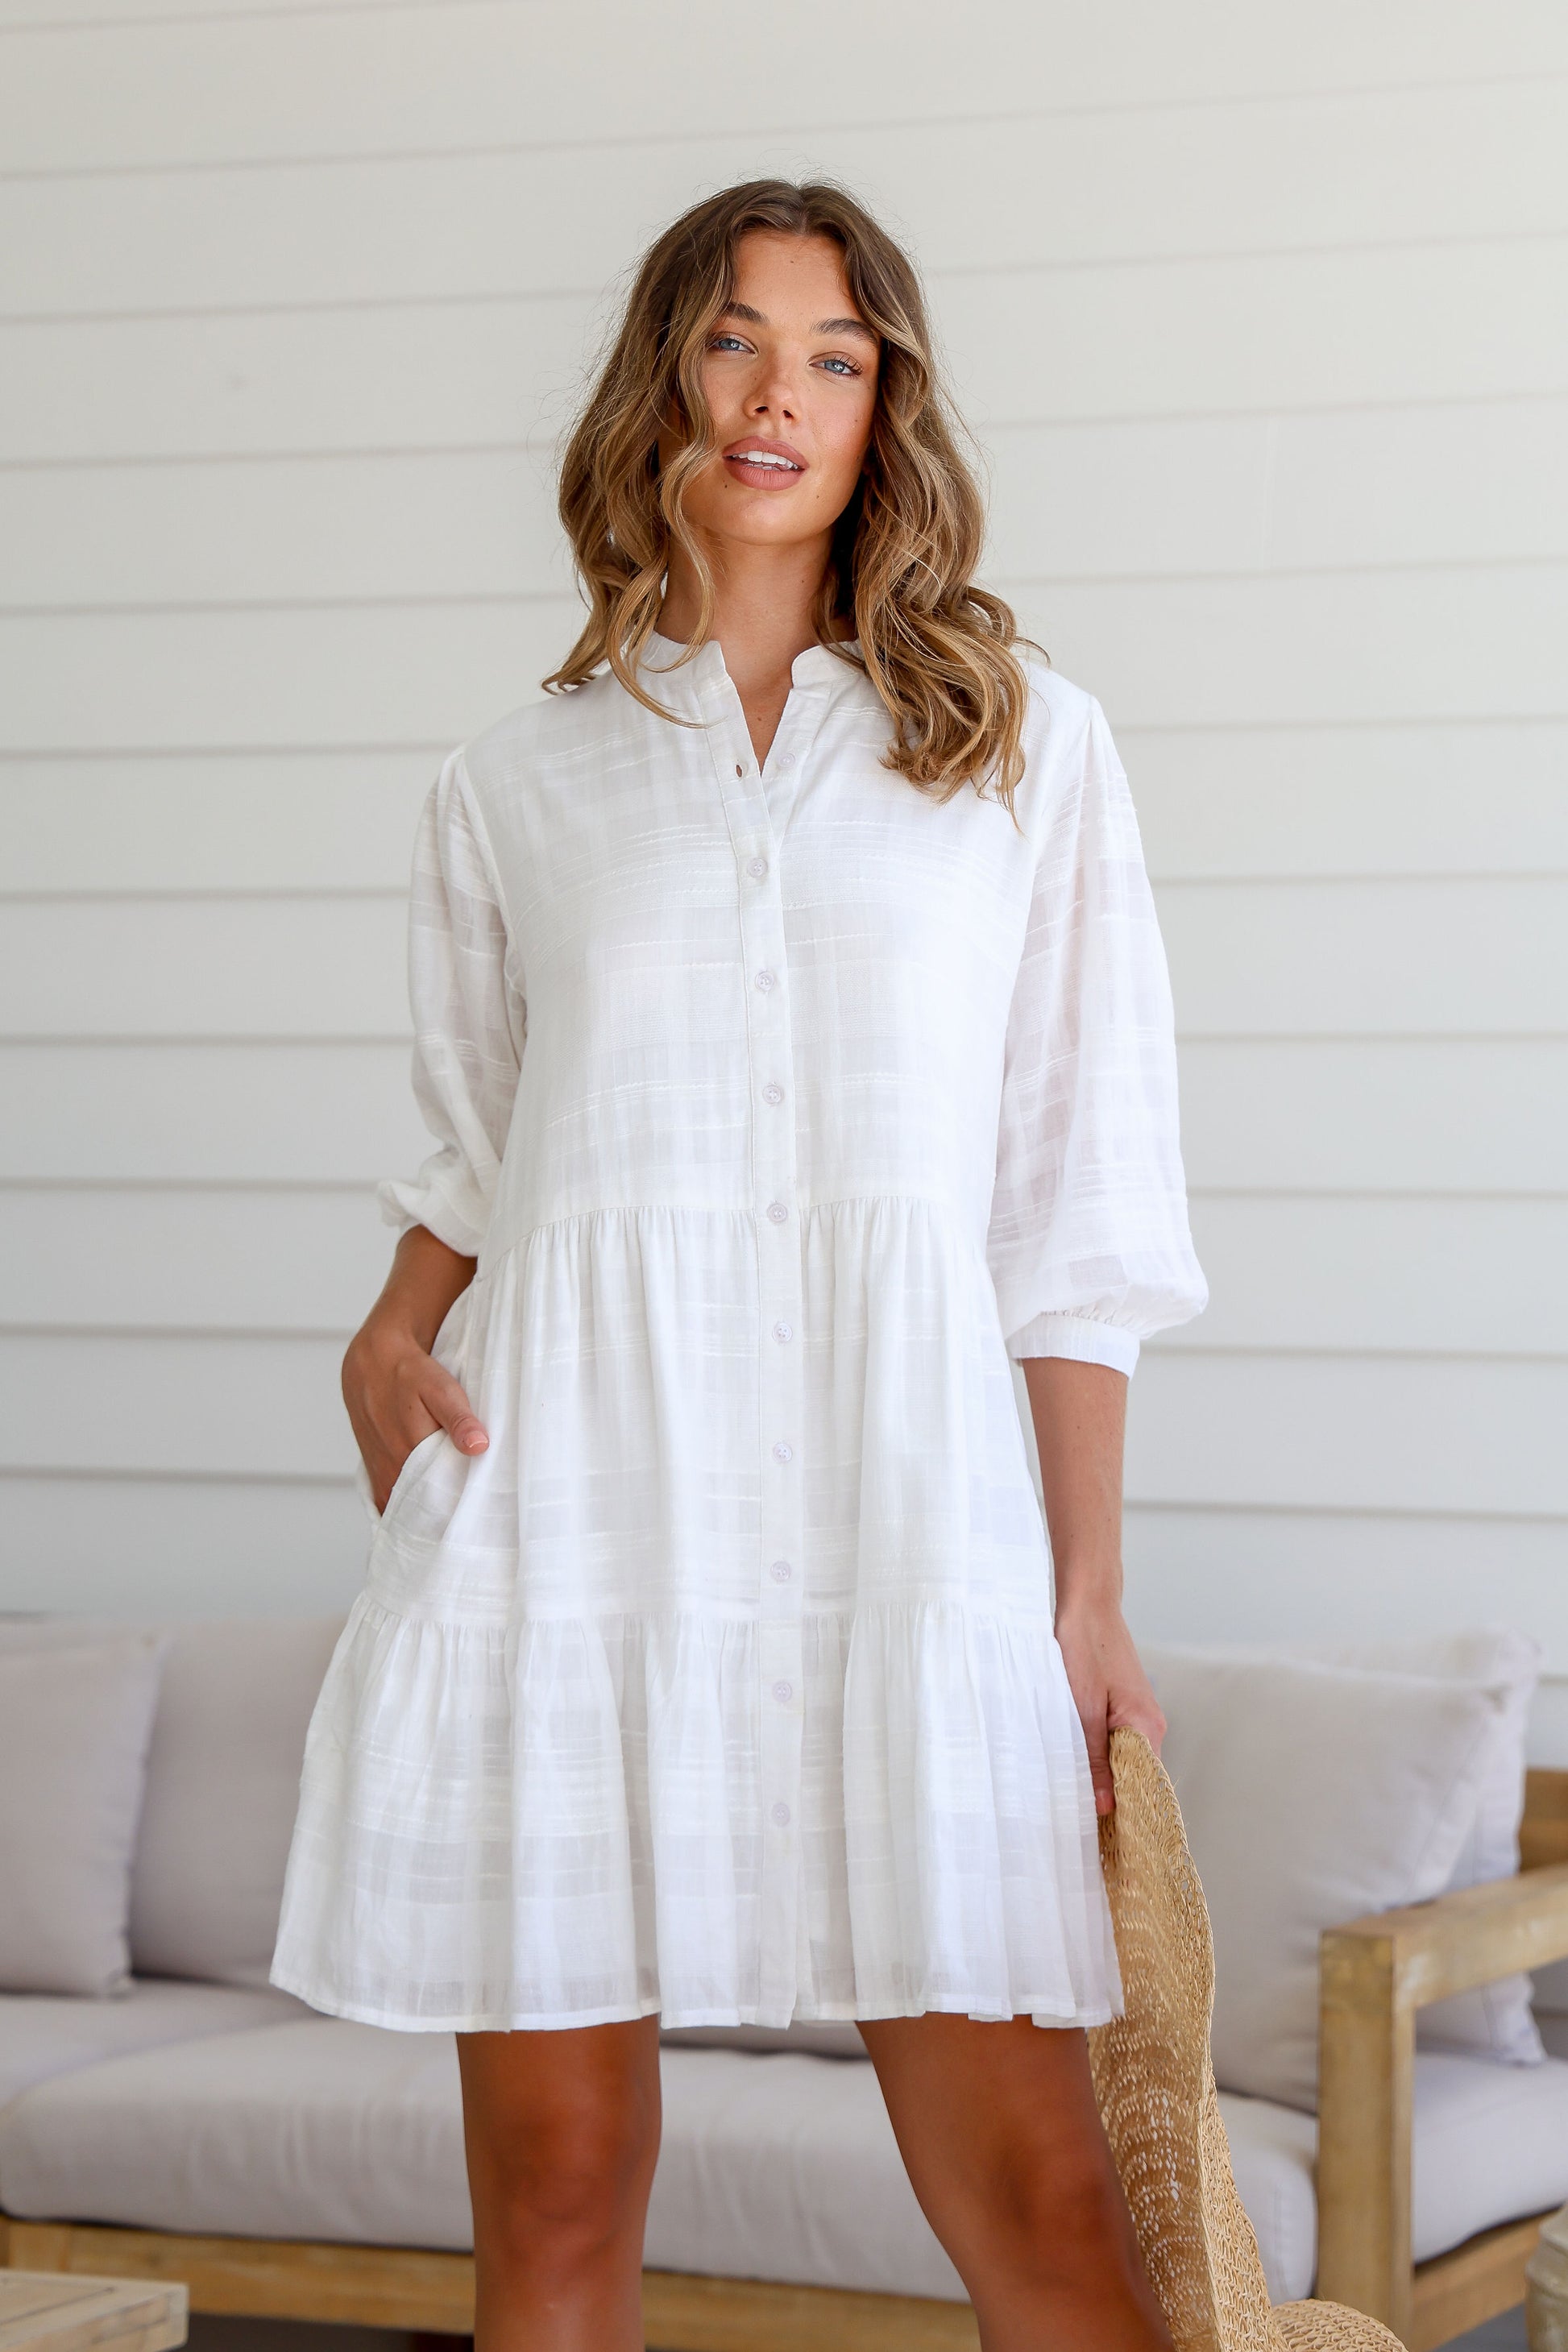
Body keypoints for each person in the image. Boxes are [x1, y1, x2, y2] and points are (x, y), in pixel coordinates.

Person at [270, 177, 1208, 2352]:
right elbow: (486, 1140)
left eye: (834, 356)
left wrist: (1081, 1591)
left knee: (1043, 2200)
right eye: (732, 340)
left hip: (911, 1525)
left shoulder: (1020, 744)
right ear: (662, 385)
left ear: (884, 412)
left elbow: (1074, 1201)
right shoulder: (514, 783)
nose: (777, 396)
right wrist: (392, 1335)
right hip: (577, 1518)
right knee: (556, 2190)